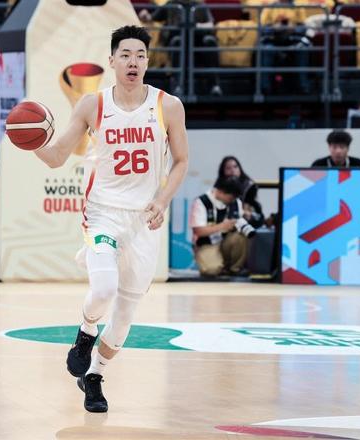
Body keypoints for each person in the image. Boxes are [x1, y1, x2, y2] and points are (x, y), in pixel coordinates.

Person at [30, 26, 188, 413]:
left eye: (140, 55)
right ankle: (85, 332)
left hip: (143, 219)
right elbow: (57, 156)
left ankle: (94, 376)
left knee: (124, 319)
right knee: (103, 289)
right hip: (102, 212)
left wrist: (162, 200)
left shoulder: (168, 105)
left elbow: (182, 161)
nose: (134, 62)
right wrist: (30, 140)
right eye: (126, 55)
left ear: (147, 61)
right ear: (112, 61)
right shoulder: (92, 105)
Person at [138, 0, 222, 95]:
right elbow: (151, 17)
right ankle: (178, 86)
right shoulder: (171, 4)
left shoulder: (200, 5)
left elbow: (210, 25)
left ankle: (214, 85)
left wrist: (195, 25)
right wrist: (144, 15)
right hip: (178, 40)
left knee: (209, 41)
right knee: (177, 41)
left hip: (198, 41)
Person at [190, 176, 255, 277]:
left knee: (240, 237)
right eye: (230, 198)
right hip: (207, 244)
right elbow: (198, 231)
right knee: (211, 270)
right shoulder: (201, 202)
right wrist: (222, 226)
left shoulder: (236, 202)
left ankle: (235, 268)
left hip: (226, 241)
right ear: (220, 192)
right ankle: (220, 266)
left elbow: (239, 222)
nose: (232, 201)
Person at [218, 156, 265, 228]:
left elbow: (252, 209)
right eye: (228, 168)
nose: (232, 170)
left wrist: (247, 213)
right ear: (223, 171)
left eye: (235, 167)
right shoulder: (219, 187)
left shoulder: (249, 186)